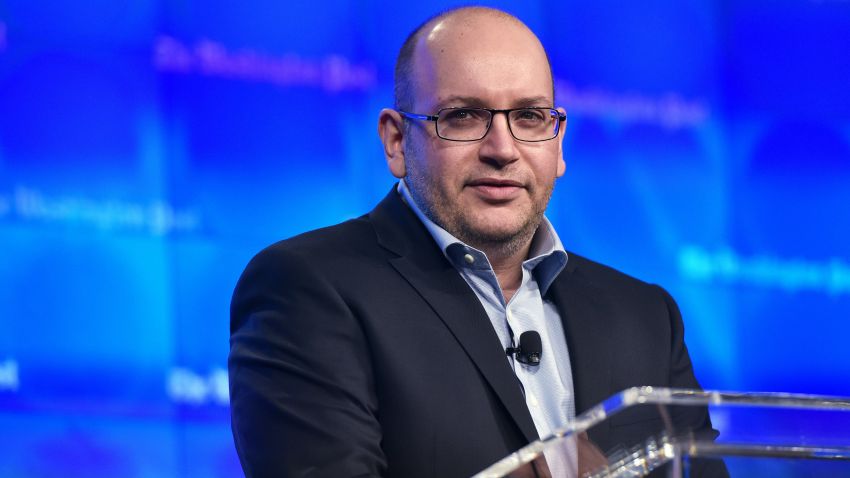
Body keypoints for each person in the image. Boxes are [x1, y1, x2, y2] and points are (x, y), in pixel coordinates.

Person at [229, 6, 723, 478]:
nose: (503, 149)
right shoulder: (308, 288)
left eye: (529, 117)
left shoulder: (645, 317)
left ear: (559, 142)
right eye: (463, 116)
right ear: (397, 141)